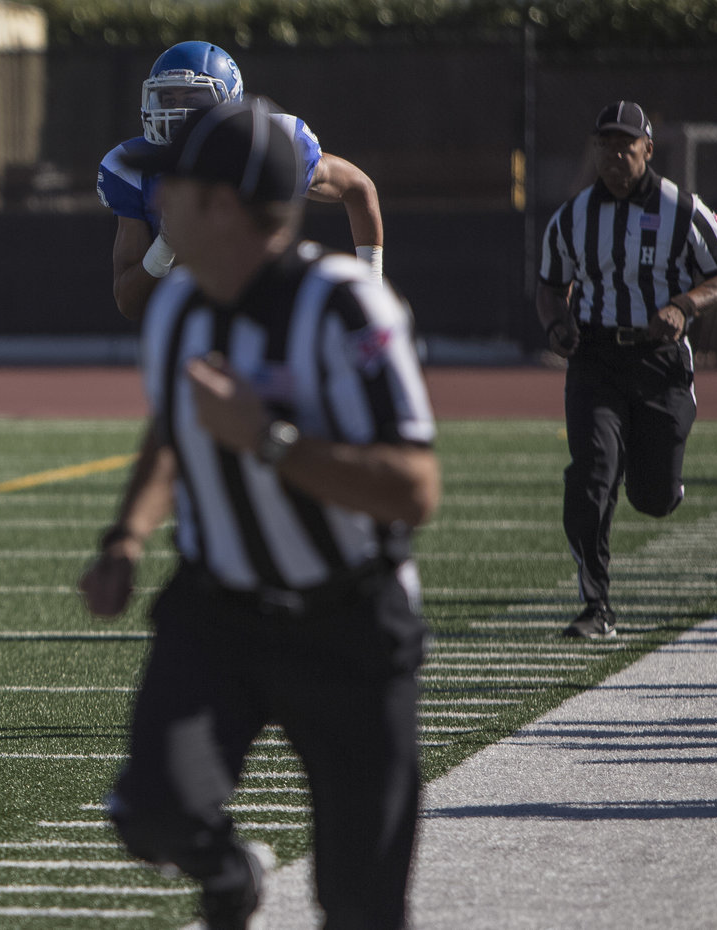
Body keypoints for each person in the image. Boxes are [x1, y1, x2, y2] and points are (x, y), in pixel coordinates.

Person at [78, 99, 439, 930]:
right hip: (220, 608)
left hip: (349, 615)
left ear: (226, 205)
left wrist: (272, 442)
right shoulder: (177, 307)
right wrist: (127, 535)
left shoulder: (348, 306)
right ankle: (230, 875)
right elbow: (173, 424)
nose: (160, 201)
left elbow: (415, 488)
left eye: (180, 188)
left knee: (361, 902)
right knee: (153, 812)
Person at [537, 101, 717, 639]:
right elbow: (550, 284)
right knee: (591, 473)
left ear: (647, 150)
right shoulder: (574, 214)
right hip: (596, 358)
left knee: (651, 498)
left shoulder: (682, 208)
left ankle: (660, 480)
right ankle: (595, 605)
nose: (614, 156)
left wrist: (684, 305)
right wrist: (557, 328)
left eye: (625, 146)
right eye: (605, 145)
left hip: (658, 361)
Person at [100, 41, 385, 321]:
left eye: (192, 99)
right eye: (168, 99)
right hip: (195, 320)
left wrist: (372, 286)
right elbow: (130, 303)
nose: (176, 113)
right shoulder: (133, 168)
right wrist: (164, 245)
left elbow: (359, 187)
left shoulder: (266, 148)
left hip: (273, 308)